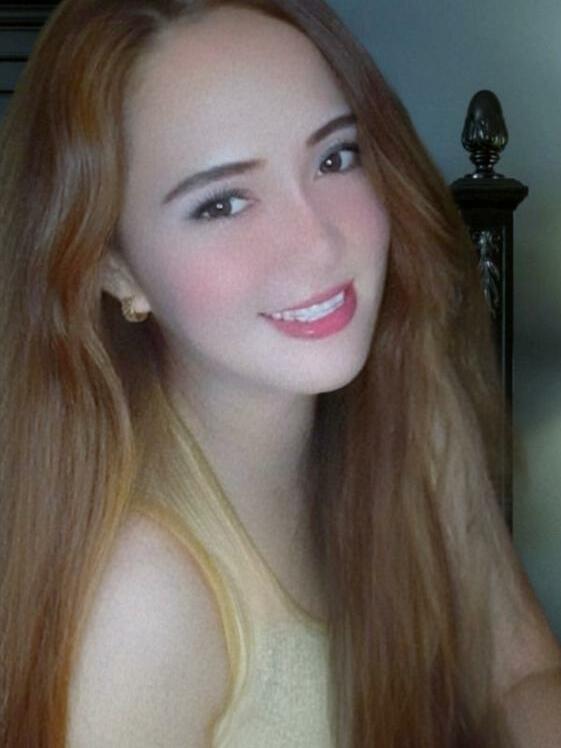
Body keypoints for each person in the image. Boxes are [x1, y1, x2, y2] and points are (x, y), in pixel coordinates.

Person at [0, 0, 560, 745]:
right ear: (114, 268)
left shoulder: (412, 411)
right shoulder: (143, 602)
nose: (318, 243)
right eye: (223, 202)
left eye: (335, 158)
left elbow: (517, 673)